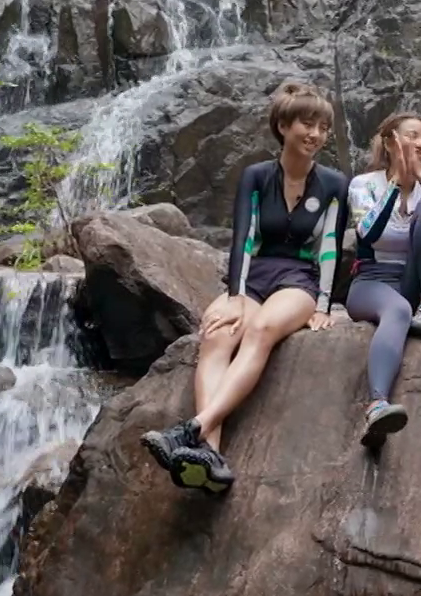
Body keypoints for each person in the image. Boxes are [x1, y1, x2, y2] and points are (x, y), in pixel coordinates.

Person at [139, 81, 348, 494]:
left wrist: (323, 304)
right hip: (254, 276)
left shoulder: (334, 184)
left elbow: (329, 248)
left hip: (298, 279)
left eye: (323, 127)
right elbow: (243, 240)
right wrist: (235, 298)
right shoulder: (256, 176)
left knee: (260, 331)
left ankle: (192, 430)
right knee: (217, 335)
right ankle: (209, 456)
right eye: (307, 124)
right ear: (283, 126)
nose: (316, 134)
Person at [345, 112, 421, 448]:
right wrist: (398, 183)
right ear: (390, 142)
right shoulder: (364, 184)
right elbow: (366, 232)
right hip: (373, 282)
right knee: (398, 310)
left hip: (420, 283)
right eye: (412, 136)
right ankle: (377, 403)